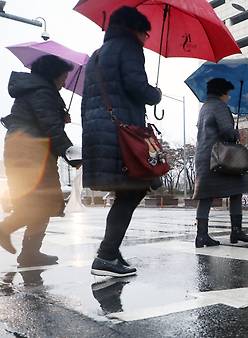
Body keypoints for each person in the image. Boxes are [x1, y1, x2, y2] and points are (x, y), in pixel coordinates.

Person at [81, 6, 162, 277]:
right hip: (120, 134)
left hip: (99, 134)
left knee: (127, 191)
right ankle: (106, 255)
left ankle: (111, 253)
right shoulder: (128, 48)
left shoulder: (96, 56)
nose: (145, 39)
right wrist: (156, 94)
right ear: (134, 29)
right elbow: (137, 88)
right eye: (145, 33)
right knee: (133, 190)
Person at [0, 55, 77, 266]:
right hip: (30, 154)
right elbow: (51, 129)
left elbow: (45, 122)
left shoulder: (40, 92)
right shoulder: (42, 92)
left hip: (30, 152)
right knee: (38, 204)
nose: (65, 80)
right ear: (53, 74)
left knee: (45, 203)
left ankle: (30, 253)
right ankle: (5, 229)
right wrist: (72, 155)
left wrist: (60, 117)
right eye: (63, 75)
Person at [192, 78, 248, 248]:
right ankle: (236, 231)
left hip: (204, 157)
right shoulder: (220, 106)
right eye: (228, 93)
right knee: (237, 188)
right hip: (220, 157)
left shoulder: (204, 107)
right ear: (222, 92)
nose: (229, 97)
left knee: (205, 196)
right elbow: (227, 132)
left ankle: (201, 235)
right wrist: (235, 133)